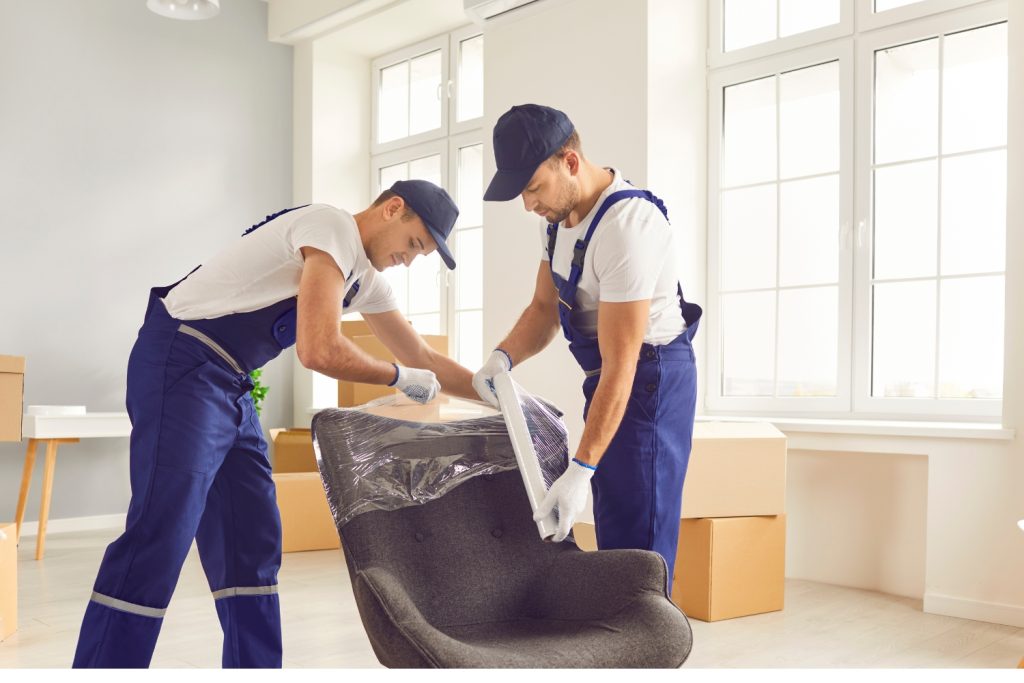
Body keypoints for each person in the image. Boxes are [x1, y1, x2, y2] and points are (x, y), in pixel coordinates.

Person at [73, 180, 477, 668]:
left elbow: (424, 356)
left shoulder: (364, 279)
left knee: (252, 539)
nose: (409, 260)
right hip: (182, 361)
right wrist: (396, 377)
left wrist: (502, 393)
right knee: (163, 530)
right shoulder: (330, 227)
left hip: (230, 381)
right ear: (393, 209)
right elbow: (319, 348)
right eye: (414, 244)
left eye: (422, 255)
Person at [473, 104, 702, 586]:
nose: (528, 205)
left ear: (570, 162)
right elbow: (543, 309)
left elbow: (624, 363)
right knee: (615, 527)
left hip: (651, 380)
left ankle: (651, 650)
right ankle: (620, 648)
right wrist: (502, 358)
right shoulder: (556, 220)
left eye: (533, 188)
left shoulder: (627, 226)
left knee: (642, 542)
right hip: (611, 379)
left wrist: (581, 469)